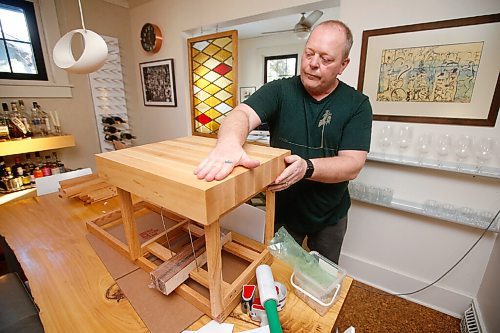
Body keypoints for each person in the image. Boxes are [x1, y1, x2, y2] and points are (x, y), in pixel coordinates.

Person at [194, 20, 372, 264]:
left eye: (326, 59)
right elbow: (241, 114)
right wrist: (229, 143)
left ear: (343, 65)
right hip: (283, 211)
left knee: (322, 276)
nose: (313, 63)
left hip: (331, 215)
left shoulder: (357, 105)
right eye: (309, 53)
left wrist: (306, 167)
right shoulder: (279, 90)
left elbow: (352, 164)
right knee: (278, 270)